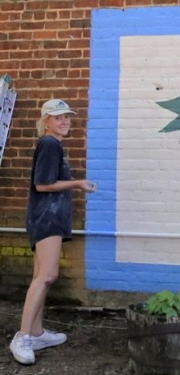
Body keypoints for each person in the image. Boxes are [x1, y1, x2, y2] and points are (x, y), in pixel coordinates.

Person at [9, 99, 97, 365]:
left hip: (48, 218)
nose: (65, 122)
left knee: (41, 275)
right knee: (47, 276)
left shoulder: (54, 145)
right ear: (46, 120)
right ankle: (23, 337)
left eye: (67, 117)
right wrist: (78, 183)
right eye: (58, 118)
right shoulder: (49, 144)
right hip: (46, 218)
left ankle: (36, 333)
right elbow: (42, 186)